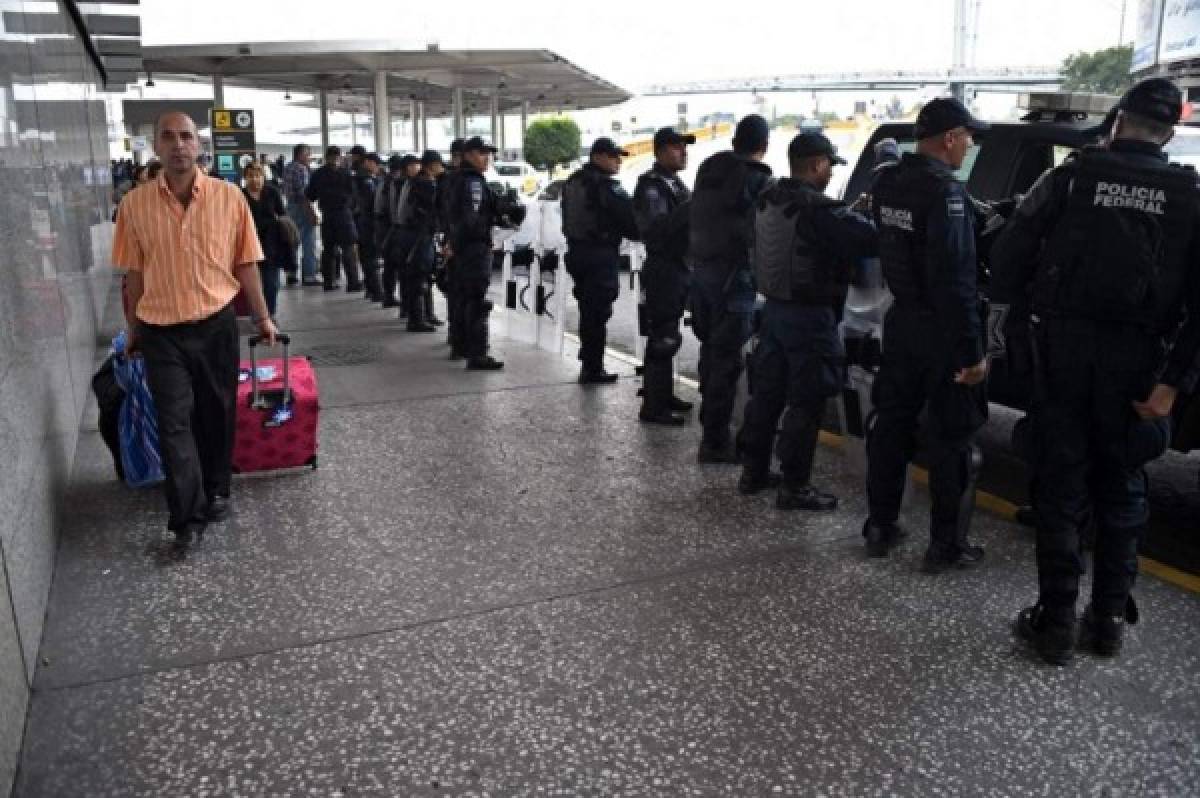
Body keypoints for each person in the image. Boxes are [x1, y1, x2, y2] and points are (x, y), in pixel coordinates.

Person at [990, 78, 1200, 665]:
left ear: (1118, 121)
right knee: (1123, 486)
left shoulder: (1072, 178)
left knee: (1061, 484)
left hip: (1060, 358)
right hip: (1139, 371)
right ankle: (1106, 619)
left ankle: (1055, 620)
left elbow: (1007, 261)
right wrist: (1170, 388)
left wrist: (1001, 345)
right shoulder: (1192, 195)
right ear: (1171, 132)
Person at [112, 111, 277, 548]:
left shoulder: (230, 198)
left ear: (199, 145)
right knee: (173, 421)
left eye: (186, 136)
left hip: (216, 324)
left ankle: (217, 488)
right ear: (156, 146)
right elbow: (134, 274)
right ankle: (186, 518)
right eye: (168, 137)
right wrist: (132, 329)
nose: (178, 144)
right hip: (160, 330)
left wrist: (262, 318)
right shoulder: (134, 205)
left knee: (216, 412)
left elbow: (246, 263)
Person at [863, 97, 990, 571]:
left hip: (903, 322)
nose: (970, 145)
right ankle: (945, 545)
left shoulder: (888, 182)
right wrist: (972, 353)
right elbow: (956, 280)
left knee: (892, 424)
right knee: (951, 438)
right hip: (941, 330)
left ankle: (880, 524)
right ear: (951, 138)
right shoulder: (946, 193)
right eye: (968, 137)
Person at [739, 132, 878, 510]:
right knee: (807, 401)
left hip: (774, 313)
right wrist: (862, 213)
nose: (831, 173)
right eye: (829, 166)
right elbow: (869, 239)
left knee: (767, 396)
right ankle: (795, 486)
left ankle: (753, 472)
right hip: (810, 318)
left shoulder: (769, 198)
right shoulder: (818, 210)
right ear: (817, 164)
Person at [689, 114, 774, 462]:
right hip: (734, 280)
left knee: (711, 354)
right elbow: (766, 231)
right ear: (763, 146)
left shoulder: (709, 167)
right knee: (727, 362)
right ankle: (714, 442)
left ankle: (710, 427)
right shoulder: (759, 178)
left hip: (702, 273)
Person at [562, 137, 640, 384]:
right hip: (600, 255)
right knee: (598, 313)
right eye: (613, 156)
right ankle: (593, 368)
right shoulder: (607, 187)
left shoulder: (573, 181)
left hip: (576, 252)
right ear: (597, 157)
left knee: (588, 309)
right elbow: (632, 223)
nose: (618, 161)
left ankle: (588, 360)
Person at [633, 127, 696, 423]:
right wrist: (693, 207)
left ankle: (663, 393)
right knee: (663, 338)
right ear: (659, 151)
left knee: (670, 334)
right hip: (664, 267)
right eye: (676, 147)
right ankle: (653, 407)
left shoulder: (674, 184)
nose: (683, 152)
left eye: (684, 147)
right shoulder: (652, 187)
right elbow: (658, 230)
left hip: (679, 266)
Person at [446, 136, 508, 370]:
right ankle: (478, 354)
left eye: (488, 154)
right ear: (469, 155)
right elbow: (471, 220)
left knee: (462, 298)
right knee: (477, 301)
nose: (487, 159)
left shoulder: (455, 179)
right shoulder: (472, 182)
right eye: (482, 154)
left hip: (461, 247)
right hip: (473, 249)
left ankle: (460, 345)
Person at [305, 145, 363, 292]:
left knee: (329, 250)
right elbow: (354, 195)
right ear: (338, 157)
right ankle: (353, 282)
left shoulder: (317, 174)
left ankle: (329, 282)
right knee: (348, 249)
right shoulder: (346, 173)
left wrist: (313, 212)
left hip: (328, 215)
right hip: (344, 215)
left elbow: (310, 195)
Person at [400, 150, 446, 331]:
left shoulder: (415, 182)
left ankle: (426, 315)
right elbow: (437, 208)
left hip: (415, 235)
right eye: (439, 165)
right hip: (419, 236)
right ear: (431, 165)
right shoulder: (425, 184)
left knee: (424, 276)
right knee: (420, 277)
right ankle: (417, 319)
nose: (441, 168)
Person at [241, 161, 288, 317]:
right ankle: (258, 315)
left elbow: (282, 215)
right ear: (245, 178)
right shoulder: (239, 195)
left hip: (271, 244)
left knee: (272, 283)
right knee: (253, 284)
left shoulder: (272, 192)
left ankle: (270, 313)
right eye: (250, 176)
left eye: (258, 175)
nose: (255, 179)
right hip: (248, 244)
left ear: (263, 176)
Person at [440, 139, 467, 356]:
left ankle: (456, 336)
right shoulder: (454, 180)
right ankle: (458, 338)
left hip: (452, 240)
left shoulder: (448, 179)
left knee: (457, 290)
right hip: (456, 242)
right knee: (458, 291)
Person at [283, 144, 321, 286]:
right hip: (301, 207)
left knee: (292, 240)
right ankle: (309, 275)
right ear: (300, 155)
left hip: (290, 207)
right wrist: (311, 212)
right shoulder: (301, 169)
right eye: (307, 154)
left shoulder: (288, 167)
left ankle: (291, 274)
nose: (309, 158)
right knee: (308, 241)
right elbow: (303, 193)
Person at [351, 148, 384, 301]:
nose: (378, 168)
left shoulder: (357, 177)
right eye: (376, 164)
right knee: (371, 257)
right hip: (368, 222)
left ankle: (371, 289)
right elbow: (373, 203)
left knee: (366, 257)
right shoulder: (367, 181)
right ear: (368, 163)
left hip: (359, 221)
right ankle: (377, 291)